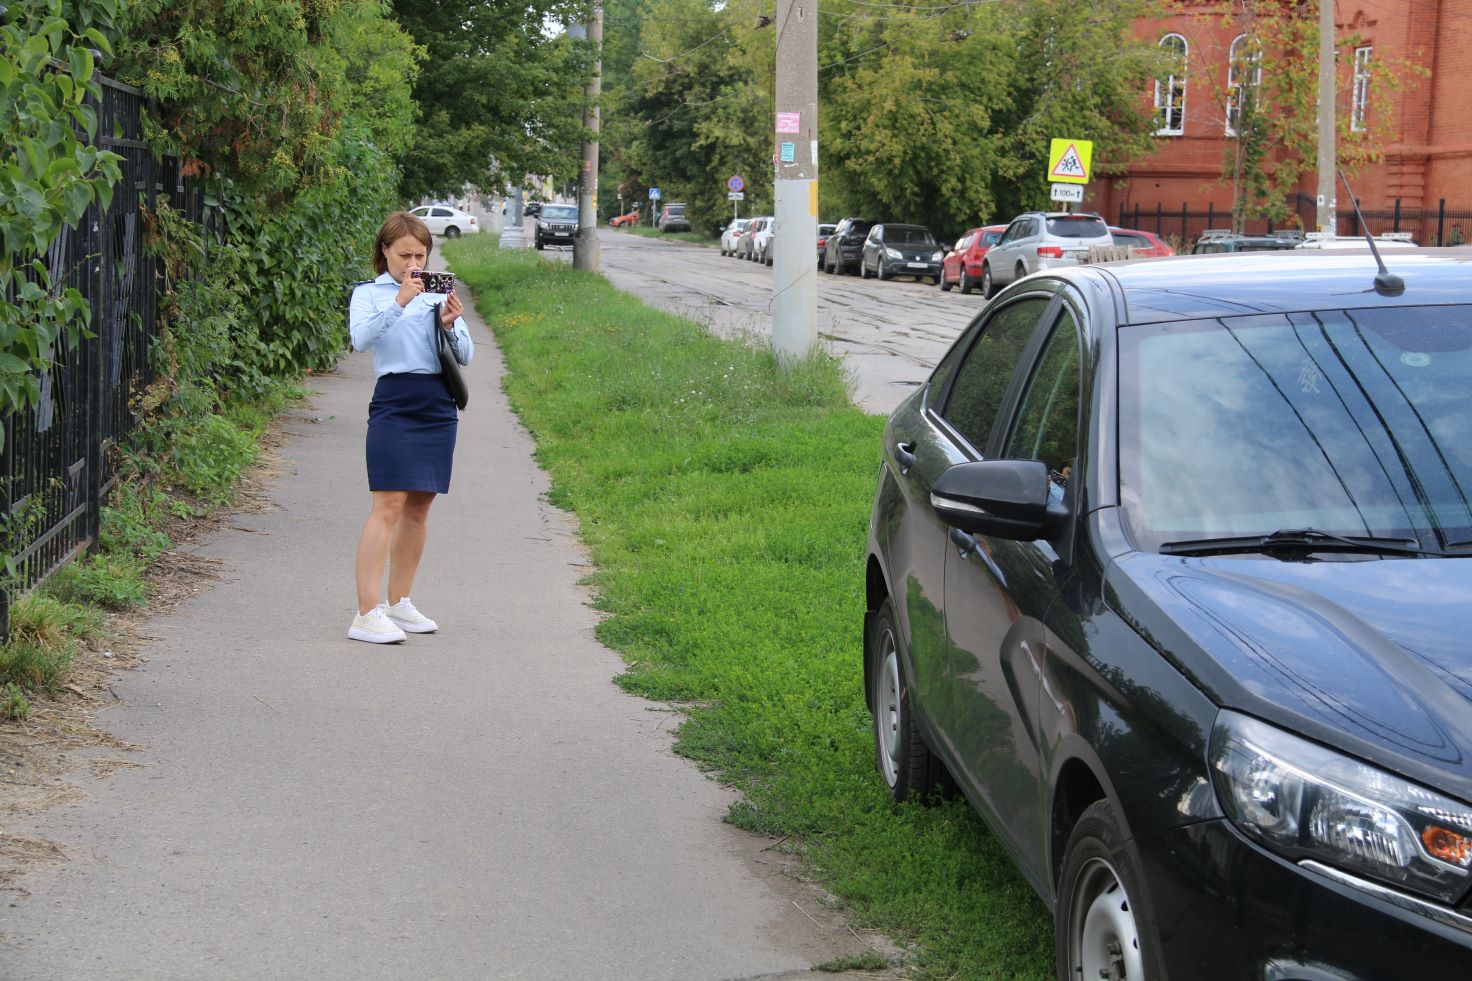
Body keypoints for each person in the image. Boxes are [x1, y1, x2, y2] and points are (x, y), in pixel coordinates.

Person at [346, 211, 474, 644]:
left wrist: (451, 326)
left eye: (421, 254)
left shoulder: (439, 292)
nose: (413, 263)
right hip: (395, 402)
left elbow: (467, 355)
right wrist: (399, 302)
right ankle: (366, 611)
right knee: (387, 505)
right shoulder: (369, 293)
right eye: (404, 254)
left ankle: (399, 602)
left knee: (419, 508)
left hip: (437, 404)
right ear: (384, 252)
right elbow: (362, 340)